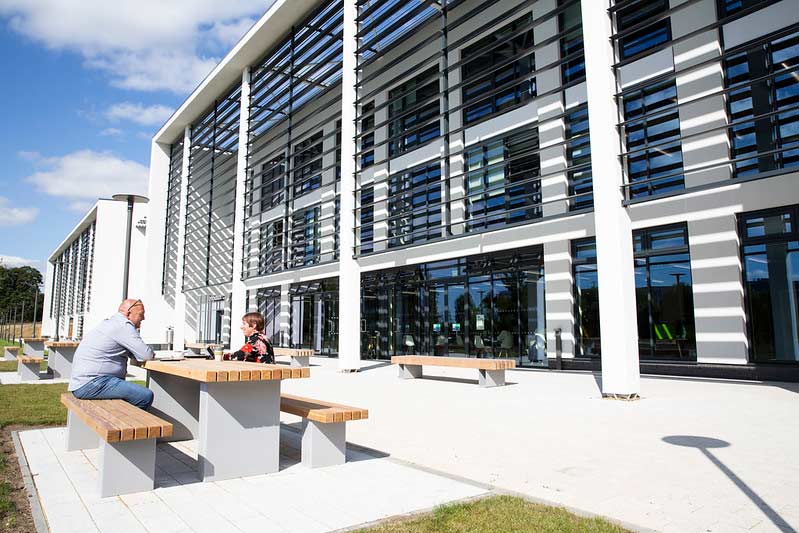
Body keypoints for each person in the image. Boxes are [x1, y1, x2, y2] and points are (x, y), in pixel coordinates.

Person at [68, 299, 155, 410]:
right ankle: (127, 423)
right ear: (129, 314)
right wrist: (150, 351)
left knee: (133, 394)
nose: (143, 318)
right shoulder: (123, 325)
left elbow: (135, 353)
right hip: (92, 383)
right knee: (144, 396)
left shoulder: (111, 323)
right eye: (141, 314)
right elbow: (146, 355)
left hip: (85, 382)